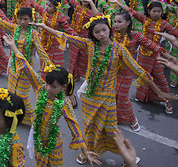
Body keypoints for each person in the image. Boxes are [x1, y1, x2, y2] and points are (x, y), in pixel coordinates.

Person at [35, 15, 176, 164]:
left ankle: (127, 156)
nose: (101, 34)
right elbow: (65, 36)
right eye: (97, 32)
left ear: (110, 29)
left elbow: (138, 70)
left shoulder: (118, 49)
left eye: (104, 30)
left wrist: (159, 92)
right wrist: (44, 27)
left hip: (107, 99)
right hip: (89, 98)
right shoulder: (90, 45)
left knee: (110, 130)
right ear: (92, 34)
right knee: (89, 128)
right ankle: (87, 153)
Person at [4, 34, 101, 167]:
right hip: (38, 139)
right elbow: (26, 65)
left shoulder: (64, 103)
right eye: (47, 83)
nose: (48, 88)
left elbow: (74, 126)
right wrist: (13, 46)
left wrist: (85, 151)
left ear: (63, 87)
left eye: (53, 86)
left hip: (53, 142)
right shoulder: (39, 87)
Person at [0, 4, 51, 125]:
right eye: (20, 19)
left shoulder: (33, 34)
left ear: (31, 20)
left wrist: (50, 67)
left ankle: (34, 121)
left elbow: (41, 52)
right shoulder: (15, 28)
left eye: (26, 19)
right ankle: (15, 117)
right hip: (13, 68)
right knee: (12, 94)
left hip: (25, 69)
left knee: (22, 96)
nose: (22, 22)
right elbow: (0, 21)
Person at [113, 11, 171, 130]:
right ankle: (117, 118)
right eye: (114, 22)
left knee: (123, 97)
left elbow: (150, 44)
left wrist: (168, 56)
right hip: (113, 69)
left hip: (128, 70)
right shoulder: (112, 33)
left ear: (128, 23)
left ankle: (133, 120)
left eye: (119, 22)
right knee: (113, 95)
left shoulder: (135, 35)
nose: (116, 24)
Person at [119, 1, 178, 114]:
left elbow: (175, 32)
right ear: (149, 11)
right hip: (143, 53)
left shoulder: (164, 24)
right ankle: (143, 97)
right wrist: (118, 2)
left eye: (159, 11)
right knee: (144, 75)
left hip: (156, 54)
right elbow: (131, 11)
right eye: (154, 11)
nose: (156, 14)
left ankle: (168, 101)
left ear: (162, 12)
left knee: (160, 77)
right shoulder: (145, 19)